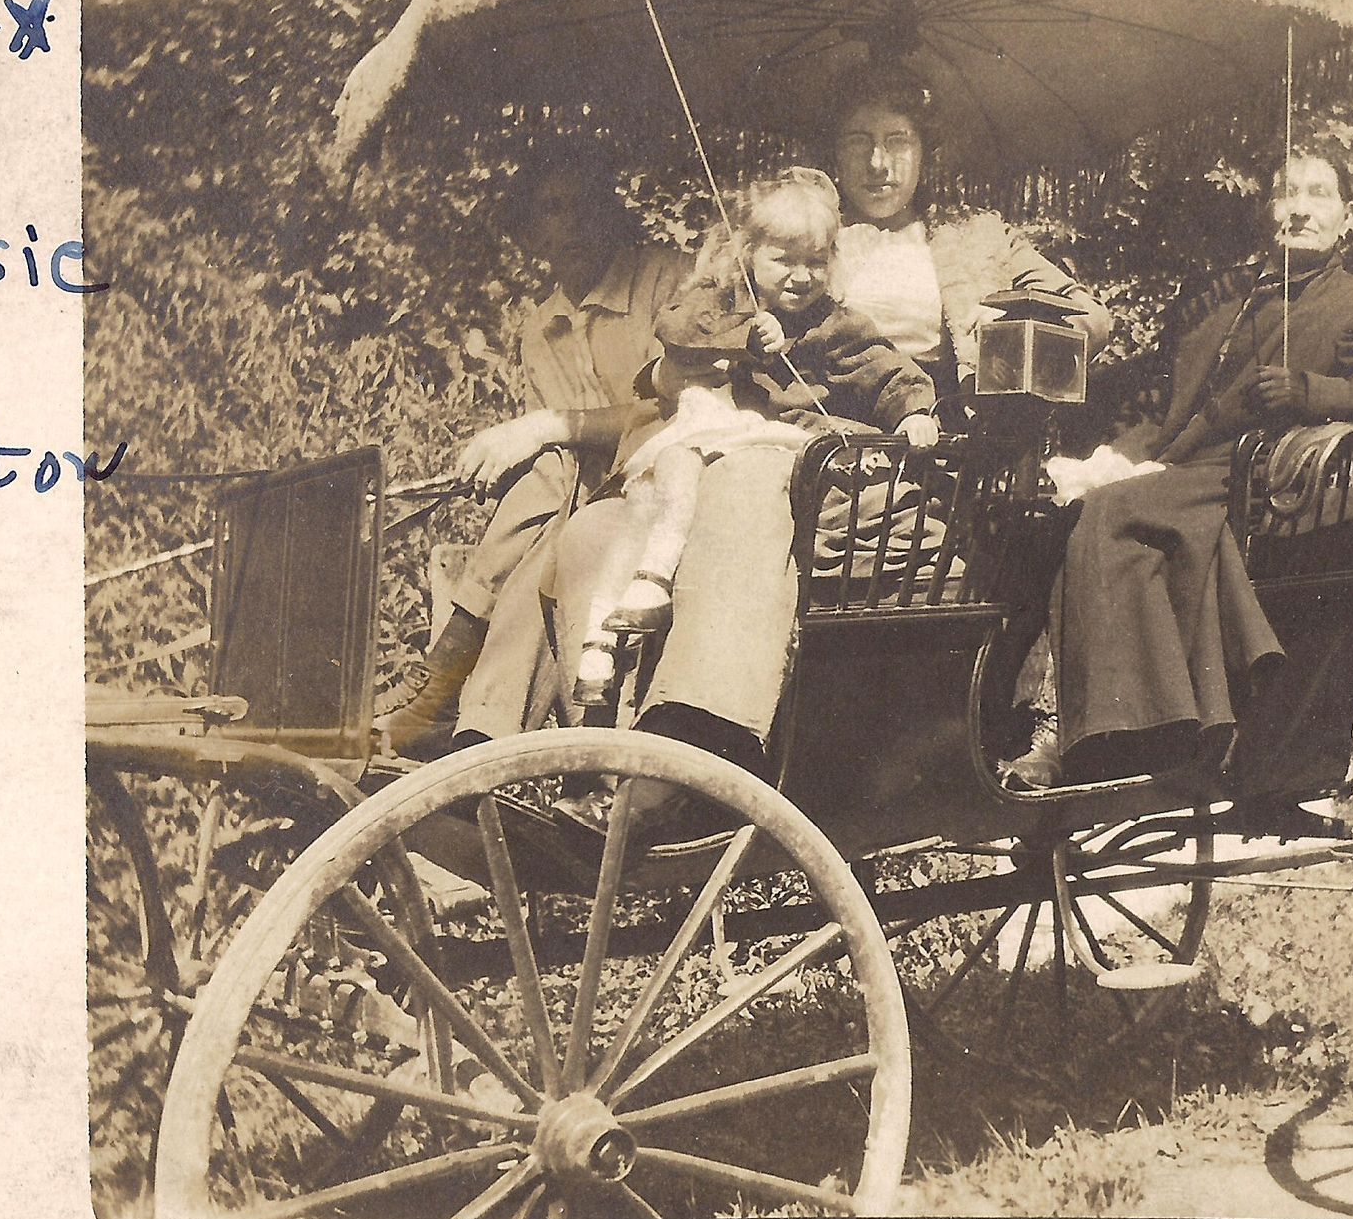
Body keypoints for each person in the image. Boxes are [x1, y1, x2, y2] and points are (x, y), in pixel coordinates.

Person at [623, 62, 1111, 774]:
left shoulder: (977, 241)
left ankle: (697, 745)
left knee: (749, 491)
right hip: (774, 424)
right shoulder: (800, 231)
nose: (879, 163)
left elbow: (1091, 320)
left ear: (927, 149)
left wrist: (1007, 325)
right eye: (858, 141)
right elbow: (683, 338)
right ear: (833, 150)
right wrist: (689, 367)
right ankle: (613, 747)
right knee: (612, 528)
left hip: (916, 447)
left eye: (898, 141)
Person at [1041, 146, 1353, 786]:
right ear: (1268, 209)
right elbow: (1163, 397)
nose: (1300, 209)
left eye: (1318, 194)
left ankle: (1134, 735)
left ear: (1348, 217)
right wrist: (1118, 453)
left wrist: (1312, 392)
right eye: (1288, 192)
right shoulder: (1222, 298)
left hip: (1262, 481)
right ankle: (1130, 728)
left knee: (1112, 513)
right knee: (1059, 510)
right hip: (1181, 465)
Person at [558, 166, 939, 702]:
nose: (801, 277)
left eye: (815, 262)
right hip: (717, 440)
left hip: (780, 448)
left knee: (693, 473)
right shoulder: (721, 302)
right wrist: (744, 334)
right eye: (784, 260)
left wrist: (913, 413)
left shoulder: (834, 324)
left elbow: (887, 371)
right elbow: (675, 329)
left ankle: (659, 594)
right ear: (748, 253)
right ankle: (603, 646)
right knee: (640, 501)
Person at [377, 137, 691, 758]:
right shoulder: (541, 327)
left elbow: (678, 410)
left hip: (674, 484)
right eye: (552, 209)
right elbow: (564, 452)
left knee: (546, 476)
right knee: (543, 520)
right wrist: (529, 444)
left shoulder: (665, 281)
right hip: (586, 504)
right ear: (530, 232)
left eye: (586, 204)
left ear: (611, 210)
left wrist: (549, 426)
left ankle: (453, 686)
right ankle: (478, 738)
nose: (572, 224)